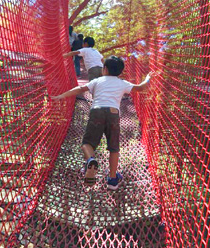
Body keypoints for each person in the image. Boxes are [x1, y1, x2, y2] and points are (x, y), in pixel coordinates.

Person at [51, 56, 153, 190]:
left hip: (97, 111)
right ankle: (112, 180)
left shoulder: (97, 80)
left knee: (87, 144)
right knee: (114, 148)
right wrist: (148, 78)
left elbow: (79, 89)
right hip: (113, 114)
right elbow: (140, 88)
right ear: (120, 72)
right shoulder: (122, 82)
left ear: (104, 69)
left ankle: (91, 160)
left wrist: (61, 96)